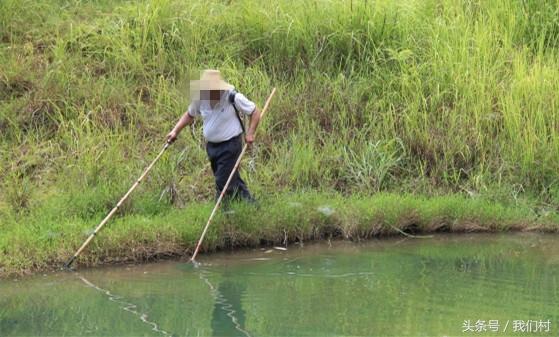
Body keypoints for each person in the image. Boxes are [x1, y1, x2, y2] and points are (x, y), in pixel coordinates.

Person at [167, 69, 261, 203]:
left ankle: (224, 212)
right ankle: (251, 205)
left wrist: (250, 133)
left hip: (230, 145)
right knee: (231, 178)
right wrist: (175, 131)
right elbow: (189, 115)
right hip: (212, 147)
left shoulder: (233, 97)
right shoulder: (200, 99)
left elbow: (255, 112)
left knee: (222, 182)